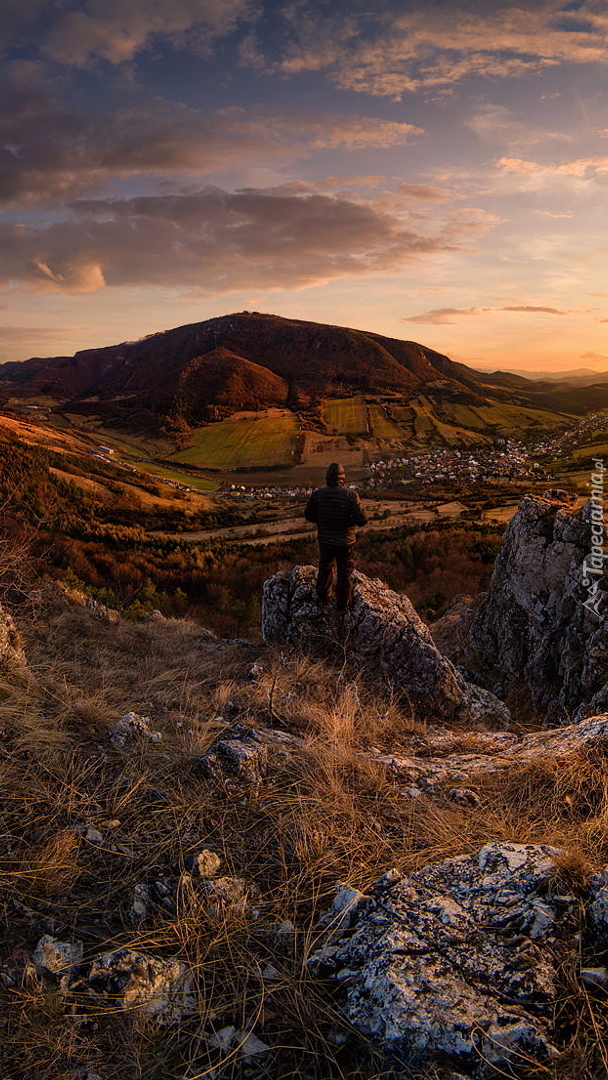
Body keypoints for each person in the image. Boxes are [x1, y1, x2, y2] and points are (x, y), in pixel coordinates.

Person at [304, 462, 368, 612]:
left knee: (325, 567)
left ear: (327, 478)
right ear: (343, 478)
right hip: (345, 540)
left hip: (325, 538)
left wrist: (323, 521)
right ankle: (343, 605)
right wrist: (348, 523)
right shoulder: (351, 496)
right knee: (345, 573)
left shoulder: (318, 495)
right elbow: (363, 519)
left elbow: (309, 515)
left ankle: (323, 597)